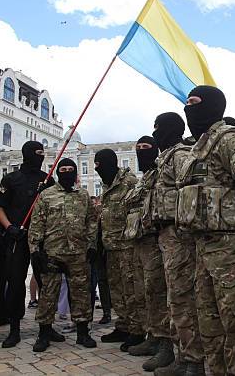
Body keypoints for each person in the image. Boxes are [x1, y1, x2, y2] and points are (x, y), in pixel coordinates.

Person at [177, 85, 235, 374]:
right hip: (204, 250)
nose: (188, 108)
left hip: (233, 250)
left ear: (212, 106)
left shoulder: (232, 142)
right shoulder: (198, 148)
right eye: (186, 103)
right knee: (210, 328)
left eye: (194, 102)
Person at [150, 112, 204, 376]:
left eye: (158, 128)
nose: (155, 132)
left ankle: (192, 361)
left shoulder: (181, 155)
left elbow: (193, 192)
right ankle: (183, 355)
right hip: (168, 237)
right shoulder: (167, 158)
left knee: (183, 299)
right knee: (175, 298)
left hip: (181, 237)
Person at [28, 158, 97, 352]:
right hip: (52, 253)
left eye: (70, 169)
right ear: (58, 172)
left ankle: (83, 333)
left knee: (81, 294)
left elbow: (92, 221)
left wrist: (91, 245)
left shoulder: (83, 195)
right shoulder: (46, 195)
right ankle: (44, 333)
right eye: (63, 169)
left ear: (75, 173)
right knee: (49, 294)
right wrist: (35, 250)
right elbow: (37, 224)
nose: (66, 172)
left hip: (78, 253)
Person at [0, 141, 55, 348]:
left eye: (42, 153)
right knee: (15, 282)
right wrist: (9, 227)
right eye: (37, 153)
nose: (40, 156)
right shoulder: (11, 179)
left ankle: (47, 327)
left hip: (42, 239)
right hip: (18, 237)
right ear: (27, 154)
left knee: (46, 282)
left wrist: (48, 191)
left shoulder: (46, 179)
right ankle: (14, 329)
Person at [123, 136, 174, 372]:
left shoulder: (162, 171)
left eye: (146, 148)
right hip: (141, 240)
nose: (142, 152)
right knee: (148, 292)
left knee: (160, 291)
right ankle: (153, 336)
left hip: (158, 240)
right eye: (138, 148)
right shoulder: (146, 176)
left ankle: (166, 344)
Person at [95, 149, 143, 350]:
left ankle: (137, 330)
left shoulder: (129, 182)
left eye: (99, 164)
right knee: (116, 290)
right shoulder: (107, 184)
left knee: (131, 289)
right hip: (111, 246)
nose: (97, 169)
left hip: (128, 245)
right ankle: (122, 325)